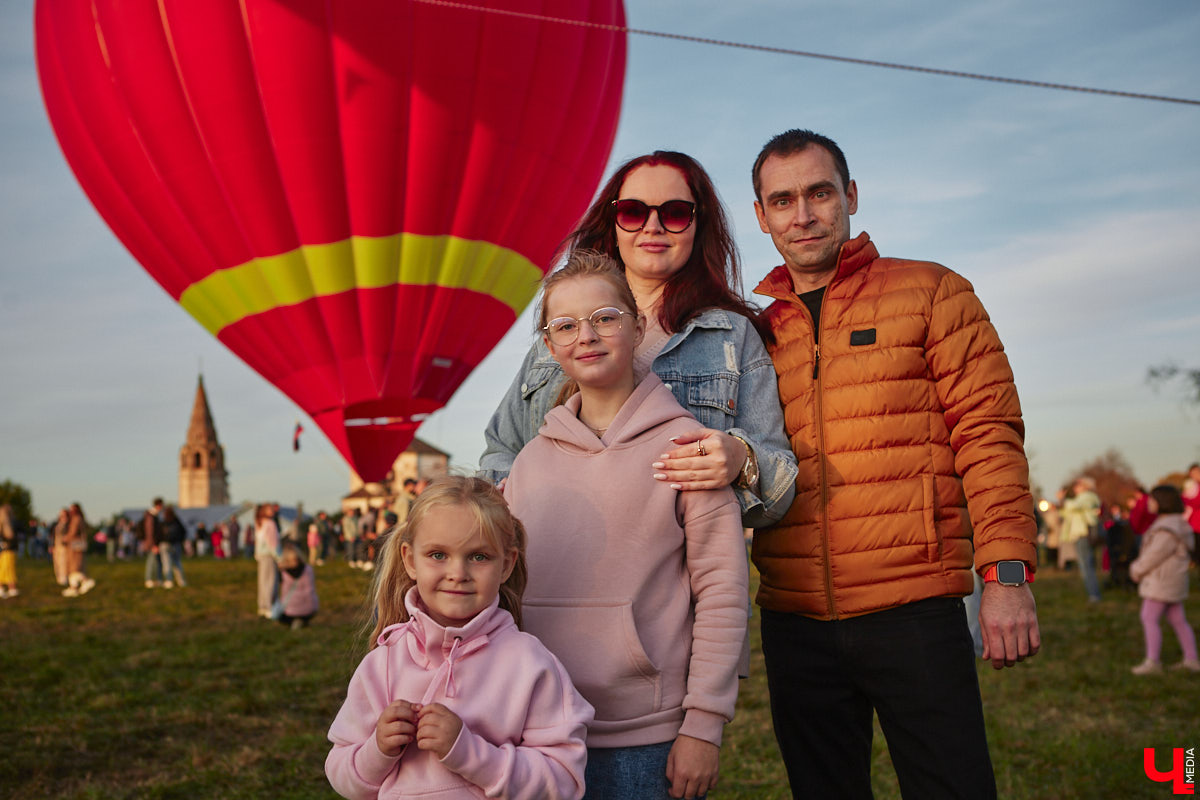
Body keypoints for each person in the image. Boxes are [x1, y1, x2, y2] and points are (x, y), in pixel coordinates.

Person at [748, 129, 1040, 798]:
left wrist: (1006, 575)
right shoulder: (756, 332)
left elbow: (989, 433)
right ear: (761, 216)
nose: (804, 215)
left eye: (820, 193)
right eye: (783, 200)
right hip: (794, 620)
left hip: (912, 608)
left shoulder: (933, 292)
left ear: (850, 196)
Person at [504, 252, 748, 800]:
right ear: (550, 347)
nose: (586, 336)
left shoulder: (687, 448)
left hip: (647, 739)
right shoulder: (530, 463)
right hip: (537, 732)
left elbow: (722, 593)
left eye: (605, 318)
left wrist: (703, 726)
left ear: (637, 326)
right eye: (565, 325)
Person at [480, 151, 797, 531]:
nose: (653, 227)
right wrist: (515, 504)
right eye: (633, 212)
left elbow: (780, 490)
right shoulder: (560, 332)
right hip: (552, 571)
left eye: (675, 213)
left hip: (676, 577)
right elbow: (501, 452)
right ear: (612, 222)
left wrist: (740, 460)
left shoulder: (732, 336)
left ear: (700, 226)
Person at [326, 475, 593, 800]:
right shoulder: (383, 663)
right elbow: (341, 774)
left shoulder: (529, 663)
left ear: (506, 565)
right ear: (410, 559)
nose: (458, 573)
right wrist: (377, 751)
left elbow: (563, 781)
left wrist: (470, 753)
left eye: (479, 556)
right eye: (438, 555)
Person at [1130, 484, 1199, 674]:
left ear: (1162, 502)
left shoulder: (1167, 529)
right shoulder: (1175, 524)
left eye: (1152, 499)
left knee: (1149, 617)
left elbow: (1154, 555)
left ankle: (1153, 661)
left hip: (1161, 582)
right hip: (1172, 581)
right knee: (1178, 619)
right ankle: (1191, 658)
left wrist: (1136, 569)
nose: (1148, 503)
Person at [1061, 476, 1103, 602]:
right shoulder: (1082, 499)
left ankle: (1094, 595)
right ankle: (1092, 593)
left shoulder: (1087, 497)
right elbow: (1065, 513)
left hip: (1083, 535)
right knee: (1085, 565)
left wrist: (1063, 499)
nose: (1075, 488)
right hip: (1080, 535)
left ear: (1085, 486)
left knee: (1086, 565)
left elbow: (1071, 507)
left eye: (1078, 485)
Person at [274, 541, 319, 630]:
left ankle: (296, 620)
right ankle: (303, 620)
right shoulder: (308, 569)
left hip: (290, 609)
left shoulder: (283, 573)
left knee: (278, 615)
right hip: (311, 606)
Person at [61, 502, 96, 597]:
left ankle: (86, 581)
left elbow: (73, 532)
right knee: (72, 570)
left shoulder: (76, 519)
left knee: (75, 568)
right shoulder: (78, 519)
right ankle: (73, 588)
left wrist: (65, 538)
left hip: (75, 547)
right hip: (74, 547)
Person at [254, 503, 281, 619]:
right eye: (269, 509)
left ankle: (262, 606)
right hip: (269, 556)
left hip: (261, 556)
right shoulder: (270, 524)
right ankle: (269, 607)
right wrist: (279, 557)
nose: (272, 511)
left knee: (263, 582)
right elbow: (273, 543)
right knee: (271, 582)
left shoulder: (259, 523)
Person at [160, 505, 188, 588]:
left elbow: (158, 534)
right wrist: (180, 540)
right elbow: (183, 531)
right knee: (177, 563)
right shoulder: (177, 522)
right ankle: (181, 581)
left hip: (165, 544)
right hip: (176, 544)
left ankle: (169, 581)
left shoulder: (163, 522)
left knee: (166, 564)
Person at [141, 499, 165, 588]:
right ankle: (149, 580)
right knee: (151, 562)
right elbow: (150, 531)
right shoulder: (151, 516)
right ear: (159, 505)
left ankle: (157, 579)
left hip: (154, 543)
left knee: (157, 562)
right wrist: (153, 545)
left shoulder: (154, 515)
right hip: (152, 544)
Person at [0, 504, 18, 599]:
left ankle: (4, 588)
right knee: (7, 568)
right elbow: (10, 537)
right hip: (8, 550)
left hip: (5, 550)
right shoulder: (7, 524)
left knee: (4, 568)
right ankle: (11, 588)